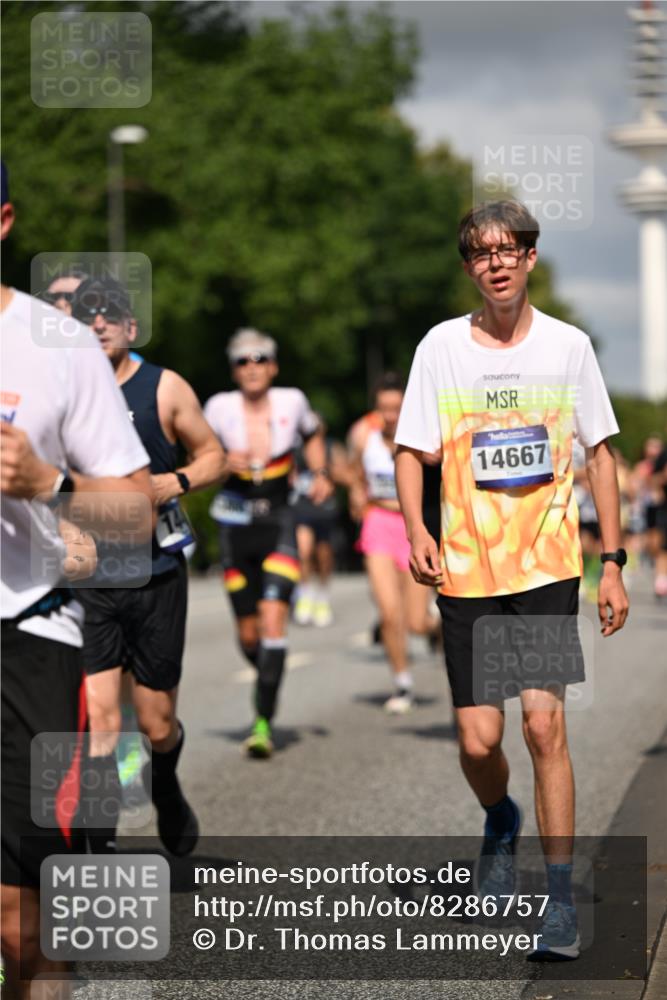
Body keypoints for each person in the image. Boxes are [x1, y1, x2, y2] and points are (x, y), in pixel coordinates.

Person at [395, 199, 628, 960]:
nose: (495, 262)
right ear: (468, 267)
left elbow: (598, 454)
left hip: (544, 566)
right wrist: (418, 528)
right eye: (479, 252)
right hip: (465, 570)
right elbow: (409, 450)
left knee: (541, 726)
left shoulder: (567, 348)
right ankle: (500, 818)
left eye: (508, 249)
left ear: (529, 258)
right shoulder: (440, 348)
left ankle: (557, 902)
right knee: (477, 738)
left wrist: (614, 562)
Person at [0, 163, 153, 998]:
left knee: (22, 924)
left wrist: (47, 483)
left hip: (27, 631)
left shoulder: (57, 346)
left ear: (4, 220)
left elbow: (129, 522)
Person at [70, 275, 225, 857]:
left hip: (157, 574)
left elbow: (215, 456)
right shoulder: (62, 393)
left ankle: (165, 780)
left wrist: (174, 480)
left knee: (157, 725)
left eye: (110, 316)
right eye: (86, 317)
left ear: (130, 329)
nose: (99, 325)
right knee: (101, 719)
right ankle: (99, 843)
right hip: (88, 579)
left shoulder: (163, 388)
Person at [205, 329, 332, 758]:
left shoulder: (292, 401)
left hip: (279, 521)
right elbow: (196, 454)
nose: (252, 367)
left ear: (273, 366)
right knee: (248, 637)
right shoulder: (218, 408)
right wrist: (221, 461)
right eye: (242, 361)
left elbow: (314, 432)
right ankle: (270, 672)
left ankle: (263, 723)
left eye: (259, 359)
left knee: (274, 624)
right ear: (233, 369)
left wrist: (319, 474)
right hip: (234, 526)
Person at [349, 373, 440, 714]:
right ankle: (402, 683)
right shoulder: (365, 437)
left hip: (415, 528)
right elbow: (354, 473)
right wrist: (357, 492)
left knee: (415, 621)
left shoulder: (427, 441)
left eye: (397, 408)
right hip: (378, 525)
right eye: (384, 408)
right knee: (389, 614)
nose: (390, 415)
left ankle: (436, 629)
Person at [291, 419, 347, 628]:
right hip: (302, 507)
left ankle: (322, 596)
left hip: (325, 509)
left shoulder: (333, 447)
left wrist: (327, 471)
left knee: (323, 556)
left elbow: (346, 472)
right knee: (304, 551)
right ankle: (305, 595)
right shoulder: (295, 448)